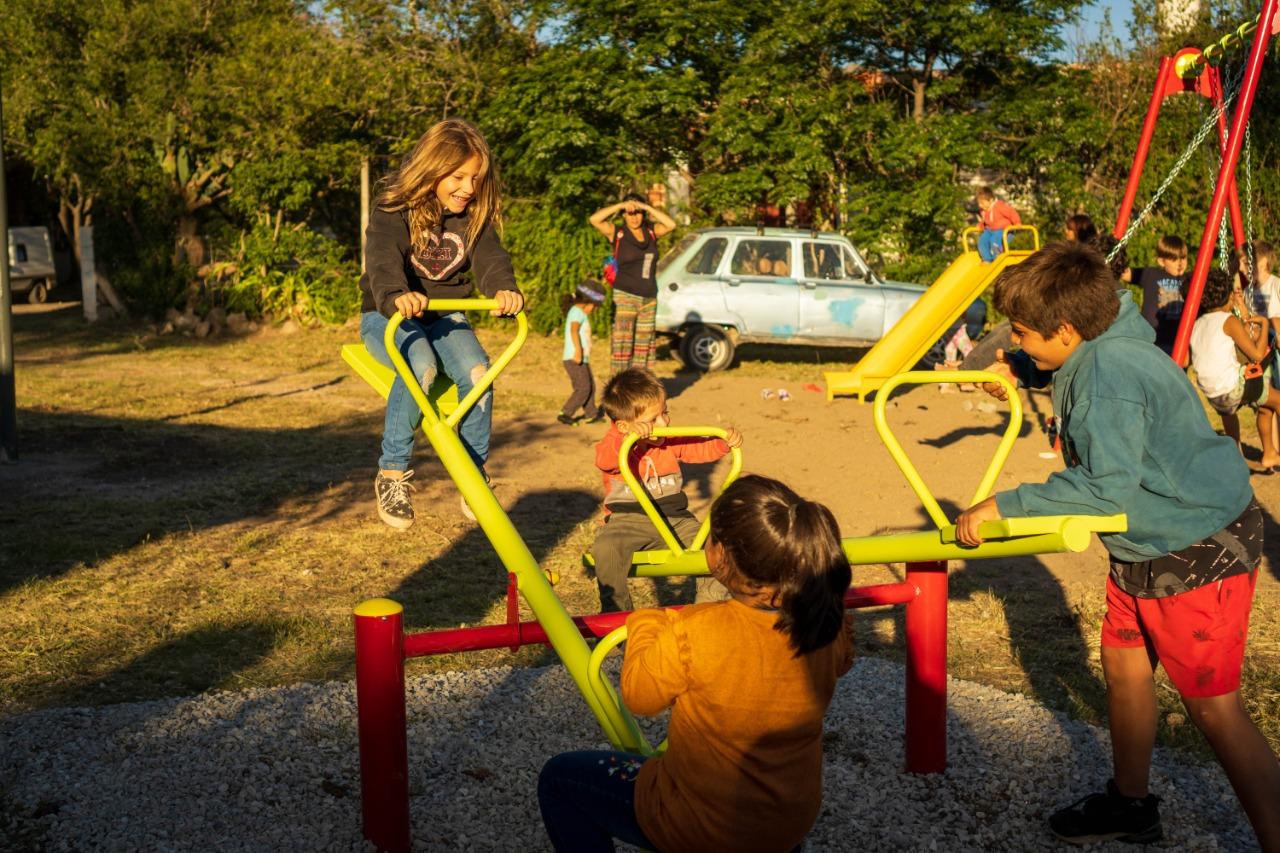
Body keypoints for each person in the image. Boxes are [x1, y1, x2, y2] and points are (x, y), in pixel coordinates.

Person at [956, 242, 1280, 850]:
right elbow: (1068, 368)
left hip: (1195, 545)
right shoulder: (1103, 341)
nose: (1017, 342)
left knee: (1214, 709)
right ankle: (1131, 806)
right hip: (1144, 543)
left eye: (1023, 335)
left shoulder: (1109, 375)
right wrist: (1022, 372)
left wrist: (1005, 503)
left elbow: (1104, 488)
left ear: (1067, 327)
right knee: (1125, 670)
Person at [538, 474, 854, 853]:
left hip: (700, 825)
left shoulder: (694, 629)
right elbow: (842, 662)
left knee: (559, 779)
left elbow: (640, 697)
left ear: (719, 555)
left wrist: (645, 623)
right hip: (787, 823)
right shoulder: (825, 622)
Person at [359, 118, 525, 529]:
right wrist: (398, 294)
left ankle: (472, 473)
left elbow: (491, 261)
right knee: (422, 364)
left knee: (478, 372)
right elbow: (381, 262)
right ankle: (392, 472)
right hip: (391, 315)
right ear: (432, 170)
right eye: (458, 176)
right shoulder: (393, 210)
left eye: (475, 178)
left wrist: (504, 288)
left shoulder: (472, 217)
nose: (468, 187)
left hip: (446, 317)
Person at [590, 368, 742, 613]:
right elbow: (605, 459)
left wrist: (723, 444)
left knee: (718, 548)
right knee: (606, 549)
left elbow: (697, 448)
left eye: (665, 413)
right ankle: (616, 619)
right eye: (653, 420)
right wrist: (628, 439)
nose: (664, 423)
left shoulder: (667, 441)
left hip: (676, 520)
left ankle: (706, 610)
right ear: (623, 426)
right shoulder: (615, 443)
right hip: (629, 520)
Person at [1187, 268, 1280, 469]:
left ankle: (1241, 455)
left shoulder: (1196, 324)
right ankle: (1270, 453)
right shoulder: (1228, 321)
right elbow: (1256, 353)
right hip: (1233, 389)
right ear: (1230, 296)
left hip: (1214, 396)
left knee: (1260, 406)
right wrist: (1264, 324)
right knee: (1276, 398)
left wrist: (1242, 313)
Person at [589, 193, 677, 374]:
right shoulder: (618, 232)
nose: (634, 216)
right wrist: (621, 204)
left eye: (638, 213)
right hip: (625, 295)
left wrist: (647, 207)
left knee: (644, 347)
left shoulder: (652, 231)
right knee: (623, 343)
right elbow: (594, 219)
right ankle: (620, 387)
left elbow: (672, 225)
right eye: (630, 213)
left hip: (649, 297)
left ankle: (639, 387)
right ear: (624, 214)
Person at [559, 280, 607, 426]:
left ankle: (591, 414)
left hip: (581, 358)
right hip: (574, 357)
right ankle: (566, 413)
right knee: (583, 387)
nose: (595, 310)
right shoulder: (577, 312)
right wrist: (578, 351)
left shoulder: (579, 312)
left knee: (590, 385)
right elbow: (574, 331)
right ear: (587, 302)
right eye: (595, 307)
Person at [1135, 235, 1189, 354]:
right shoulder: (1151, 274)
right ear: (1161, 261)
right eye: (1174, 259)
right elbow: (1125, 273)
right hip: (1151, 337)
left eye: (1183, 258)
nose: (1180, 263)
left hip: (1177, 339)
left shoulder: (1189, 279)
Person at [975, 186, 1021, 262]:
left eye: (982, 203)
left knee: (994, 241)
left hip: (1003, 230)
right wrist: (980, 226)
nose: (980, 205)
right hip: (990, 231)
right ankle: (987, 259)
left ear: (991, 200)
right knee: (982, 241)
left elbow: (1011, 212)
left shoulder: (999, 206)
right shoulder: (983, 211)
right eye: (979, 203)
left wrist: (1017, 223)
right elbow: (984, 221)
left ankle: (997, 258)